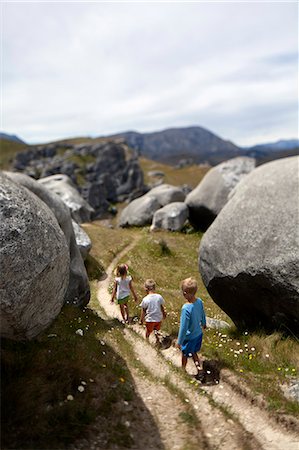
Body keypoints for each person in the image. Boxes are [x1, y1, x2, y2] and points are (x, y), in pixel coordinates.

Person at [177, 277, 206, 376]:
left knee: (185, 354)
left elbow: (183, 327)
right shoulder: (199, 301)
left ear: (185, 293)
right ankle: (199, 367)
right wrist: (204, 323)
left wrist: (179, 341)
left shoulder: (186, 308)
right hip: (198, 334)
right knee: (194, 352)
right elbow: (202, 313)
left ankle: (183, 369)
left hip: (189, 337)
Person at [140, 279, 166, 344]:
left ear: (146, 289)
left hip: (150, 320)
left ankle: (147, 341)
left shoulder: (145, 299)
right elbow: (161, 307)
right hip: (158, 319)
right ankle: (157, 340)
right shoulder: (159, 297)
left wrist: (141, 320)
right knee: (156, 330)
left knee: (148, 331)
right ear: (154, 288)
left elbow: (143, 311)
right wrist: (164, 314)